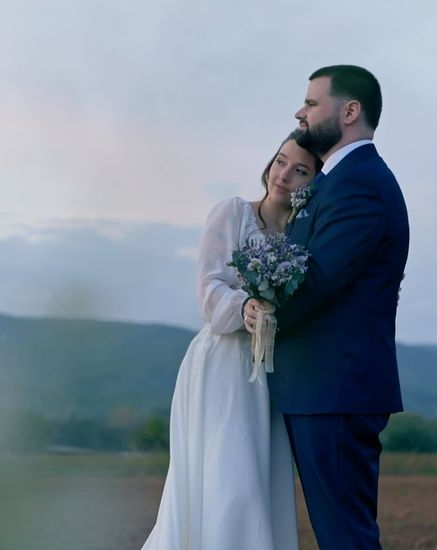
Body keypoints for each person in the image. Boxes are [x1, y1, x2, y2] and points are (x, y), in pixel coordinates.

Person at [244, 65, 409, 549]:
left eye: (312, 103)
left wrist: (255, 313)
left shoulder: (358, 183)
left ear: (350, 111)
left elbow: (317, 283)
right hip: (321, 389)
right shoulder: (338, 181)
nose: (301, 111)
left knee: (345, 537)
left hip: (335, 389)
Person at [142, 131, 322, 550]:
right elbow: (208, 289)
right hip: (223, 364)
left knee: (259, 481)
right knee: (228, 478)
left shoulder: (305, 236)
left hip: (271, 372)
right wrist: (246, 308)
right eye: (280, 161)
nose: (284, 176)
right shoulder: (233, 213)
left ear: (313, 182)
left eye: (300, 171)